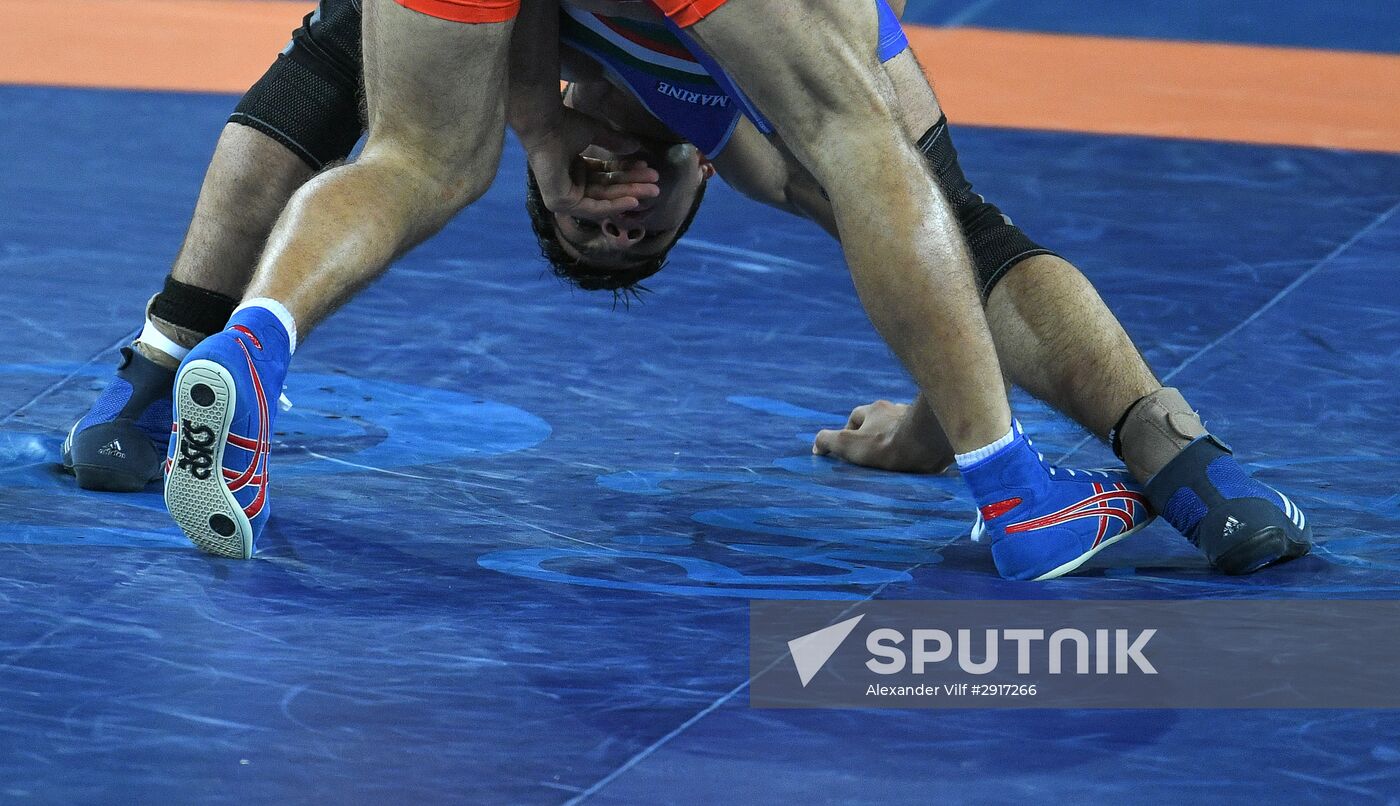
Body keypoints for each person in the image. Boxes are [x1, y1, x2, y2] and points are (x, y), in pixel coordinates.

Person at [69, 0, 1306, 580]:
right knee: (861, 145)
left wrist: (934, 410)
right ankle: (1025, 495)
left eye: (603, 216)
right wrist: (964, 432)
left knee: (407, 154)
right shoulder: (758, 127)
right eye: (622, 218)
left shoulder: (665, 121)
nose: (620, 202)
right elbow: (928, 222)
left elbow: (950, 256)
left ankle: (241, 353)